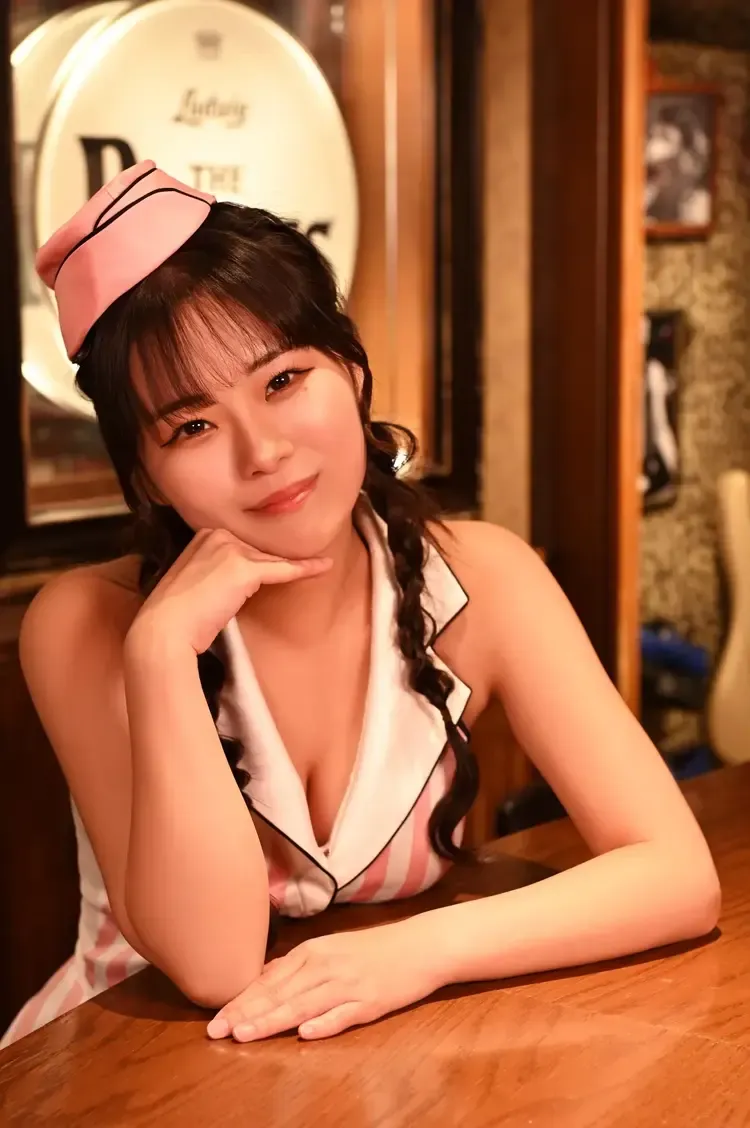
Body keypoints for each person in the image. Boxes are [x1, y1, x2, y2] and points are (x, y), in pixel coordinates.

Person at [1, 161, 720, 1049]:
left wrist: (419, 953)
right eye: (192, 426)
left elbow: (676, 875)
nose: (262, 452)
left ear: (350, 370)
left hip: (385, 1060)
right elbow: (215, 966)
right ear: (145, 475)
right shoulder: (84, 621)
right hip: (116, 1068)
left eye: (282, 381)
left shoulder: (485, 579)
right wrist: (159, 655)